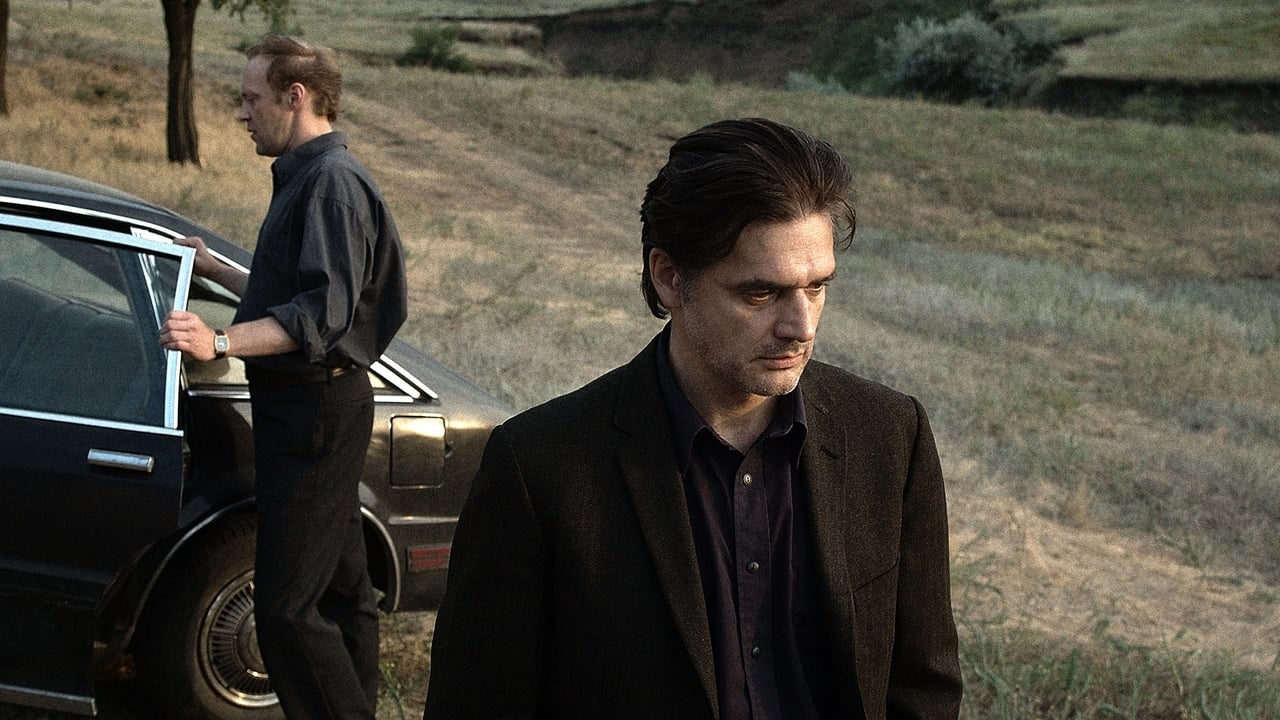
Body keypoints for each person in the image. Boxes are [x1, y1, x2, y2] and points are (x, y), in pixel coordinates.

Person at [421, 117, 962, 720]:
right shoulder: (541, 468)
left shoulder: (890, 435)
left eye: (816, 287)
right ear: (670, 278)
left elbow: (923, 689)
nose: (801, 326)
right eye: (761, 294)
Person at [160, 34, 407, 720]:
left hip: (314, 412)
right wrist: (216, 269)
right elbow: (298, 295)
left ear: (295, 97)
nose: (242, 114)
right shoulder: (312, 176)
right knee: (343, 592)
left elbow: (319, 316)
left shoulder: (332, 184)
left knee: (286, 611)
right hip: (313, 407)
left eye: (250, 99)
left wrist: (217, 339)